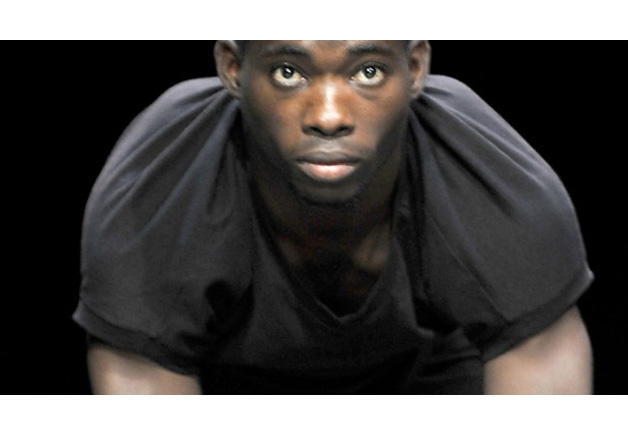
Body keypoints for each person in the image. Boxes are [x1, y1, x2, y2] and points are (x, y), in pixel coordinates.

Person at [74, 40, 594, 394]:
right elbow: (143, 374)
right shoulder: (158, 188)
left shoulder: (488, 177)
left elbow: (540, 358)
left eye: (368, 72)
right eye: (288, 72)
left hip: (431, 384)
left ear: (415, 69)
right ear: (233, 69)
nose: (328, 116)